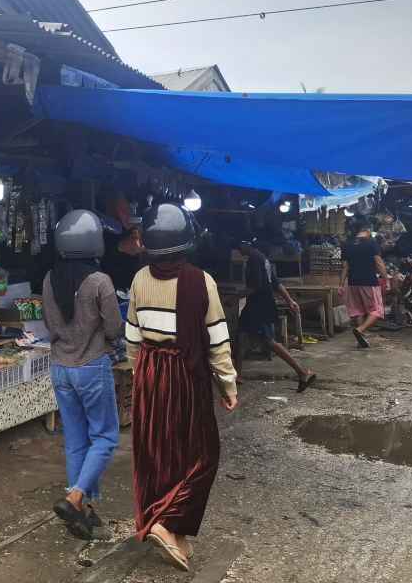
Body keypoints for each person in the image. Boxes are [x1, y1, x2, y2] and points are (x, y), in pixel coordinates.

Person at [125, 202, 238, 572]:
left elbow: (132, 340)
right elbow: (218, 341)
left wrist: (141, 375)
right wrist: (228, 384)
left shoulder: (140, 279)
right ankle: (162, 521)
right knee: (202, 454)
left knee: (158, 454)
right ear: (187, 242)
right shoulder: (202, 281)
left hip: (150, 372)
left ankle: (174, 530)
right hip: (185, 374)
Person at [40, 209, 121, 540]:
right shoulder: (100, 281)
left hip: (60, 367)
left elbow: (49, 324)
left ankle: (84, 511)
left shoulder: (48, 278)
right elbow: (115, 327)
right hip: (90, 366)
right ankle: (75, 498)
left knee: (75, 440)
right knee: (105, 437)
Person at [236, 239, 316, 392]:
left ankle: (302, 372)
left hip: (257, 306)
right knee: (241, 336)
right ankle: (237, 374)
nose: (239, 250)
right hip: (262, 304)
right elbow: (276, 283)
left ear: (246, 245)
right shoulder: (263, 258)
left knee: (268, 341)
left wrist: (234, 296)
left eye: (240, 246)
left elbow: (255, 287)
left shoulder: (254, 259)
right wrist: (290, 301)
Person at [341, 226, 388, 348]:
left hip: (352, 282)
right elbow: (378, 263)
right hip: (369, 282)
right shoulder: (371, 244)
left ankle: (360, 339)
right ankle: (360, 330)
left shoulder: (347, 245)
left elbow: (345, 267)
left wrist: (341, 284)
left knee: (359, 310)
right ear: (366, 231)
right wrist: (386, 279)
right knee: (376, 310)